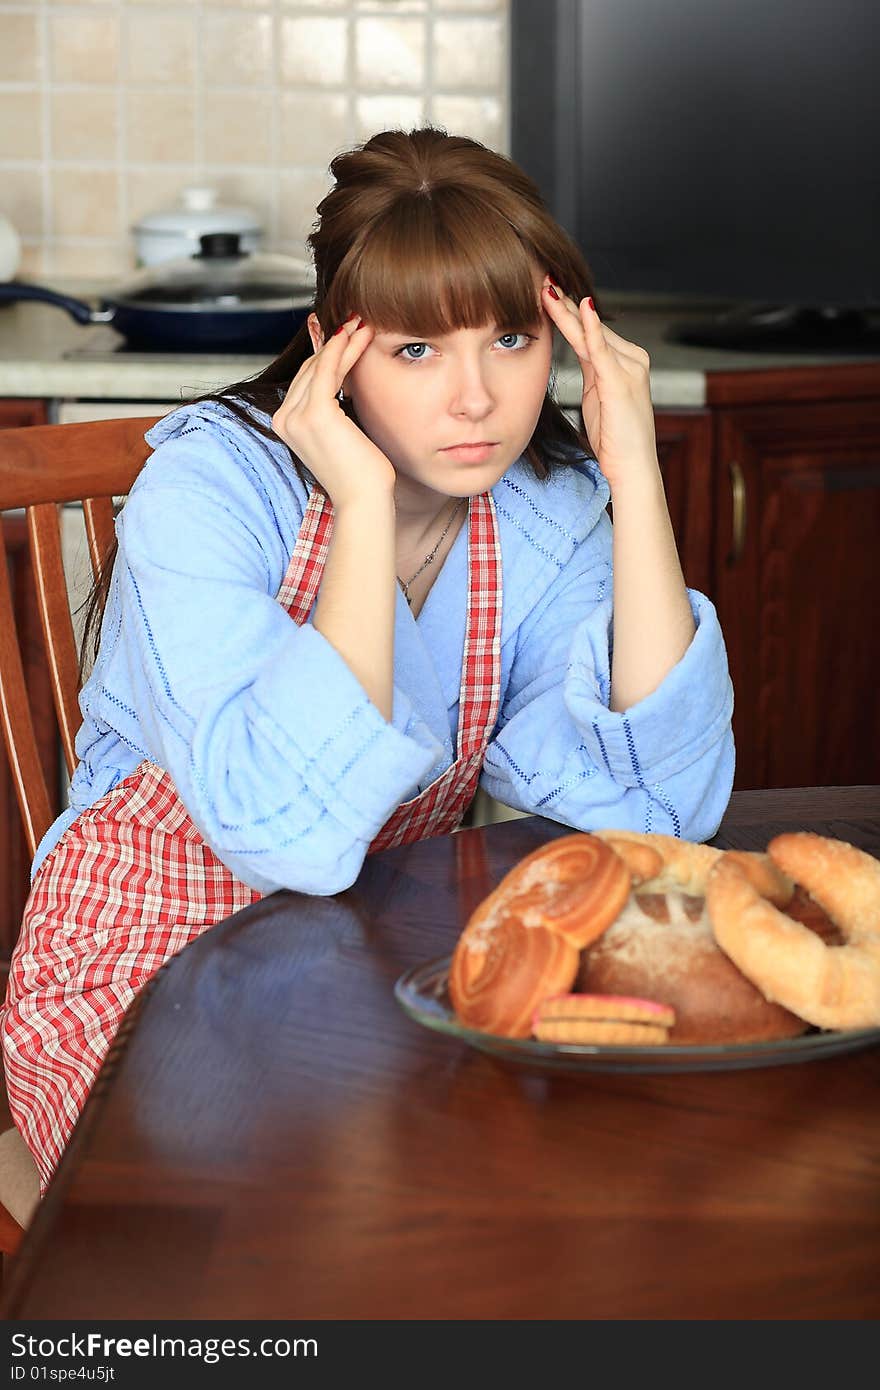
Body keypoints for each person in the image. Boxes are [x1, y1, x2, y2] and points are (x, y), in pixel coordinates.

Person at [2, 127, 734, 1189]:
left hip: (365, 966)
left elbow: (656, 805)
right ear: (331, 349)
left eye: (512, 340)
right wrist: (362, 502)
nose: (476, 398)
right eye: (416, 350)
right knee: (301, 1241)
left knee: (581, 1186)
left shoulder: (542, 511)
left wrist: (635, 475)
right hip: (140, 977)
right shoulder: (210, 491)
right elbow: (286, 835)